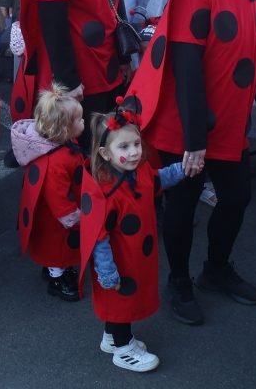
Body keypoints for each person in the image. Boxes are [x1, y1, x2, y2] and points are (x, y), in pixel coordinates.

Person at [129, 0, 256, 325]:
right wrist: (194, 143)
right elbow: (187, 71)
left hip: (230, 120)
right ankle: (178, 280)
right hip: (189, 122)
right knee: (183, 205)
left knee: (236, 196)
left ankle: (216, 269)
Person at [79, 103, 187, 372]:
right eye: (124, 147)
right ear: (105, 153)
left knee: (125, 300)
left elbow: (157, 180)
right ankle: (123, 348)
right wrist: (106, 272)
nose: (135, 151)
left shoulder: (138, 171)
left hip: (136, 254)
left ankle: (111, 337)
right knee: (120, 301)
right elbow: (99, 236)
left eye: (136, 144)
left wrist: (183, 169)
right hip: (119, 261)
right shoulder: (105, 189)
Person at [11, 83, 88, 301]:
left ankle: (56, 270)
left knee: (56, 248)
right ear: (65, 129)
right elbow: (59, 200)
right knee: (57, 249)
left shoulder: (60, 144)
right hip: (56, 219)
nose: (83, 121)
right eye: (79, 119)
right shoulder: (56, 160)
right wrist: (74, 219)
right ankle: (58, 278)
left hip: (54, 214)